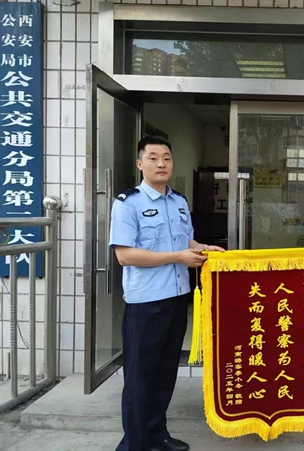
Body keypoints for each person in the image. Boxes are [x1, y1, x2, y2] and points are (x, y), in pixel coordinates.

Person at [110, 136, 224, 451]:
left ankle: (156, 434)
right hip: (146, 303)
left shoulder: (179, 202)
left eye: (166, 158)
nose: (161, 164)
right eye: (153, 158)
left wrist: (203, 248)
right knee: (140, 378)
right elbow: (125, 256)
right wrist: (178, 257)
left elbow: (186, 242)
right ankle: (134, 444)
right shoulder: (128, 203)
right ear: (140, 164)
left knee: (165, 374)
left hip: (176, 298)